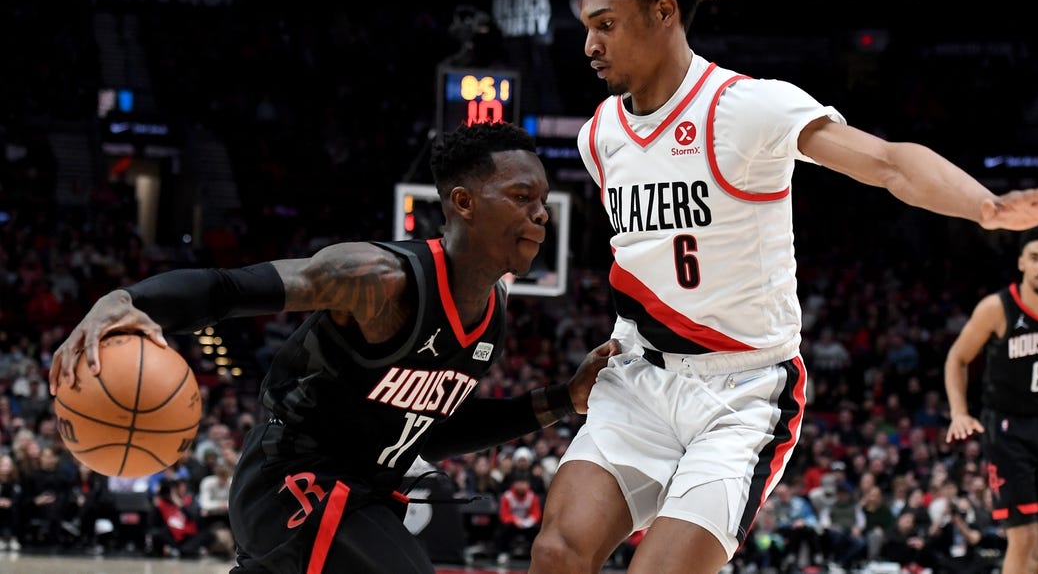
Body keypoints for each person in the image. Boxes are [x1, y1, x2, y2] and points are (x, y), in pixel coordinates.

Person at [529, 0, 1038, 574]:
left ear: (664, 12)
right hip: (638, 378)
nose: (589, 44)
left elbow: (885, 162)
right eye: (586, 26)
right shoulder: (598, 135)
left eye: (606, 24)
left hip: (739, 392)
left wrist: (985, 207)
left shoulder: (746, 107)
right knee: (555, 553)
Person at [50, 122, 618, 573]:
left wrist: (563, 399)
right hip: (293, 480)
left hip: (360, 492)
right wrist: (129, 301)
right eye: (522, 197)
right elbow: (230, 287)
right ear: (464, 202)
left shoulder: (492, 312)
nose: (541, 213)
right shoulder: (379, 279)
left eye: (543, 199)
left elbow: (430, 431)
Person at [944, 223, 1038, 574]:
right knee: (1023, 536)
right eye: (1035, 258)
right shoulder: (996, 308)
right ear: (1021, 263)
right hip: (1006, 428)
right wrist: (958, 411)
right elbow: (958, 357)